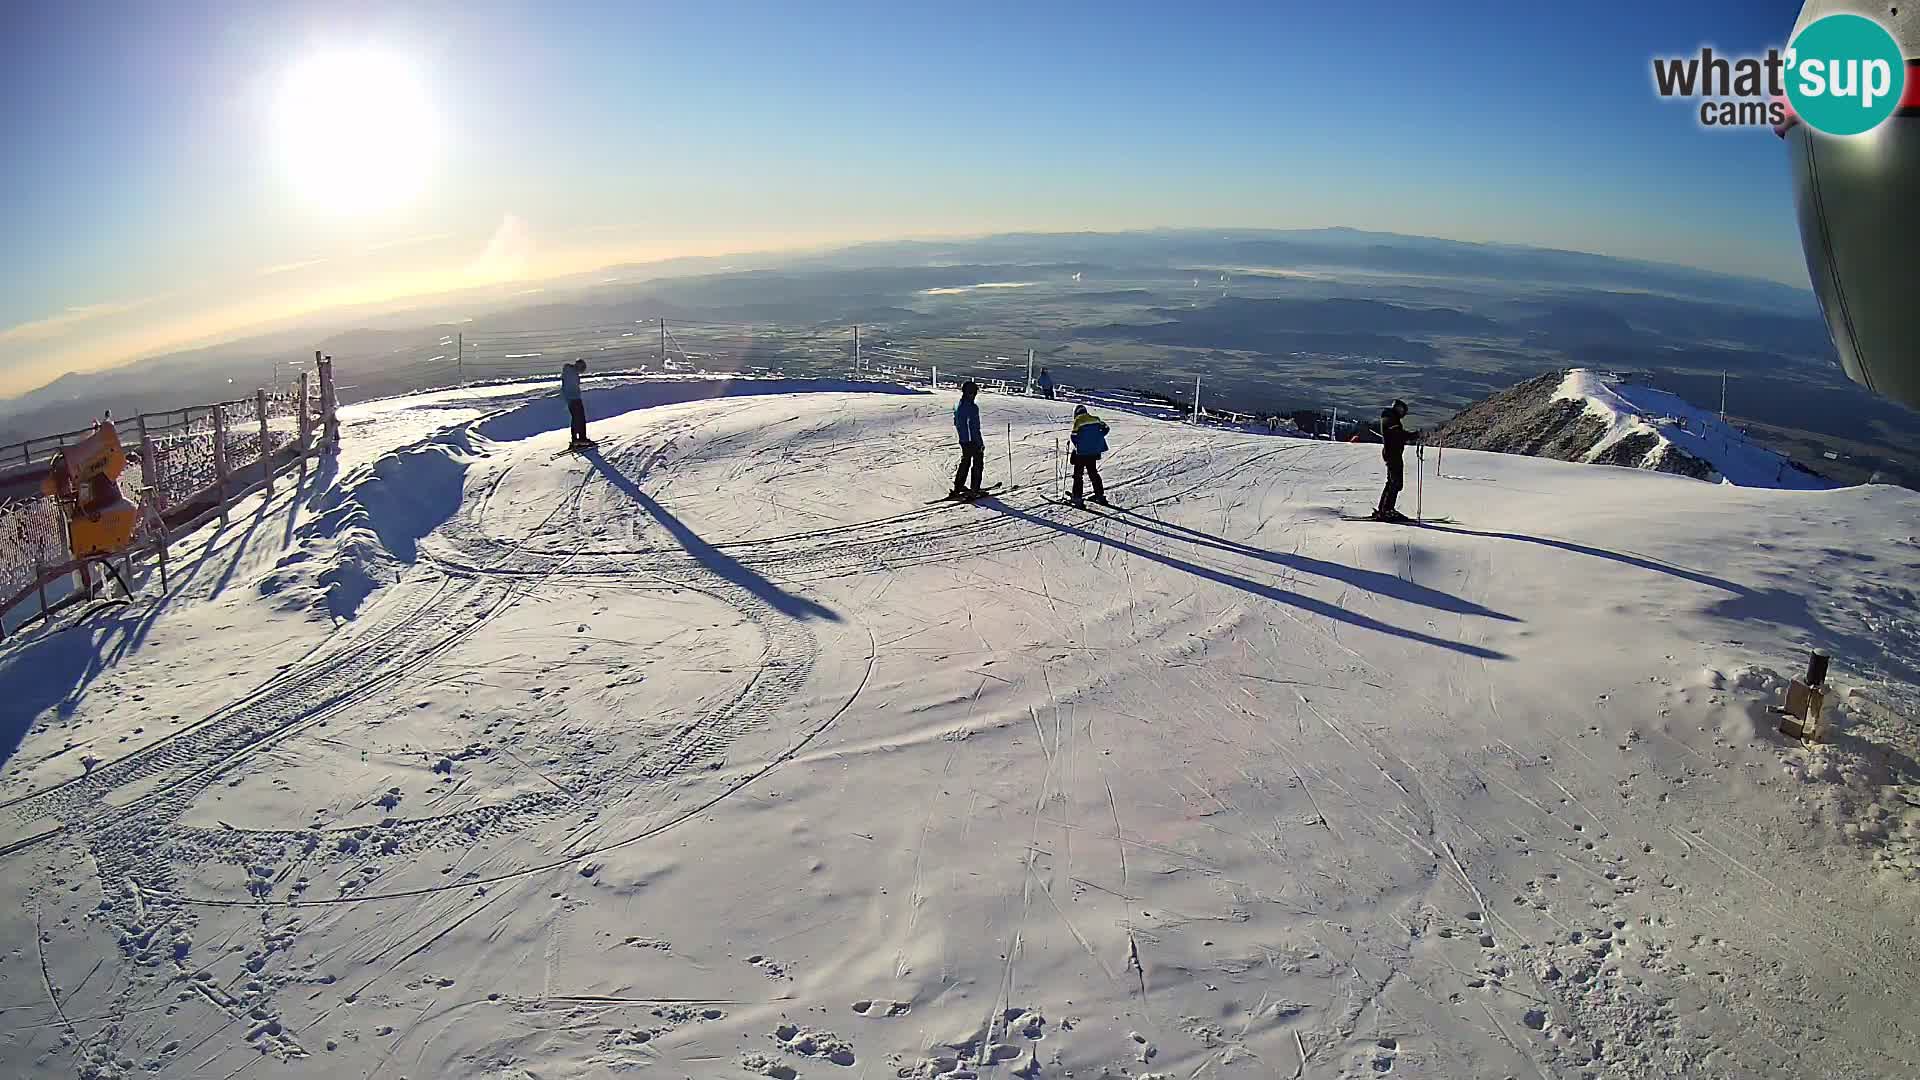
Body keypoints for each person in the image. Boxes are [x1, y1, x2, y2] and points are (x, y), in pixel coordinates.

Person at [1373, 398, 1420, 522]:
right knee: (1395, 483)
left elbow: (1398, 434)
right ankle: (1387, 510)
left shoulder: (1389, 418)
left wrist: (1409, 436)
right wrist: (1412, 435)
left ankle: (1384, 509)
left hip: (1392, 453)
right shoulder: (1390, 419)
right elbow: (1398, 435)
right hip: (1392, 453)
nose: (1403, 413)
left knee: (1392, 482)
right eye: (1403, 410)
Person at [1069, 405, 1109, 506]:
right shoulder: (1096, 419)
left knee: (1078, 475)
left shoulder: (1078, 421)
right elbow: (1106, 428)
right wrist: (1096, 438)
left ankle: (1077, 497)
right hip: (1094, 452)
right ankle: (1100, 496)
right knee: (1093, 473)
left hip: (1082, 453)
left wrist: (1079, 446)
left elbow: (1073, 437)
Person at [952, 381, 985, 497]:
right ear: (970, 393)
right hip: (971, 441)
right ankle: (975, 489)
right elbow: (973, 427)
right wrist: (978, 443)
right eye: (974, 393)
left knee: (965, 461)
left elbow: (957, 423)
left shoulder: (958, 405)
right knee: (978, 462)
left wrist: (963, 439)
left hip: (964, 440)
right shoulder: (972, 407)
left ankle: (958, 486)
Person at [561, 358, 590, 446]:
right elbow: (571, 386)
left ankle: (575, 439)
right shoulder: (572, 373)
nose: (582, 371)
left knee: (575, 418)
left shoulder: (569, 372)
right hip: (574, 398)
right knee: (580, 419)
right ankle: (582, 439)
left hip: (570, 398)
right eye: (582, 369)